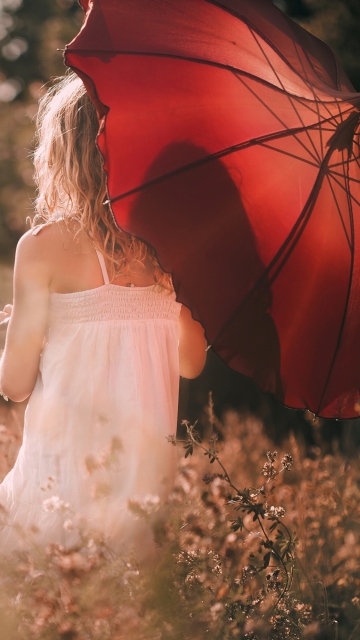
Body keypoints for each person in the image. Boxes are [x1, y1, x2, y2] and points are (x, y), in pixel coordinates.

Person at [0, 73, 206, 554]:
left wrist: (14, 332)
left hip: (58, 487)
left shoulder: (43, 248)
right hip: (141, 499)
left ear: (64, 154)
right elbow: (191, 364)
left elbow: (14, 385)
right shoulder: (176, 249)